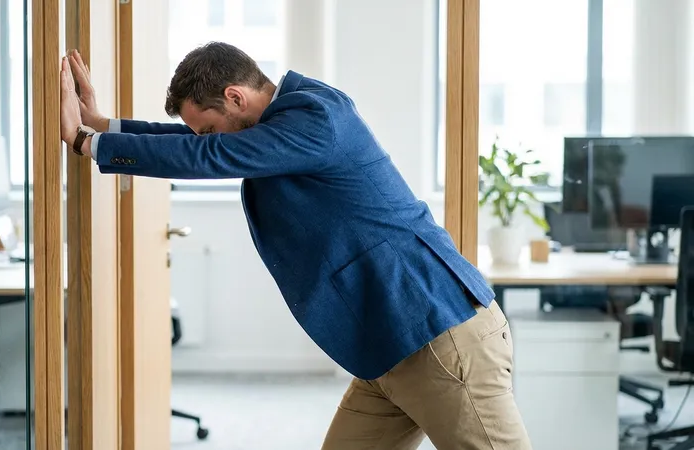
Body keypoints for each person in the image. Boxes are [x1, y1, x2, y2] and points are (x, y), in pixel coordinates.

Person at [59, 42, 531, 450]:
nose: (204, 138)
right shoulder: (284, 119)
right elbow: (195, 141)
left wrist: (85, 142)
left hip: (439, 337)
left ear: (234, 97)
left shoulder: (315, 117)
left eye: (207, 127)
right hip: (389, 348)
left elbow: (208, 153)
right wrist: (103, 125)